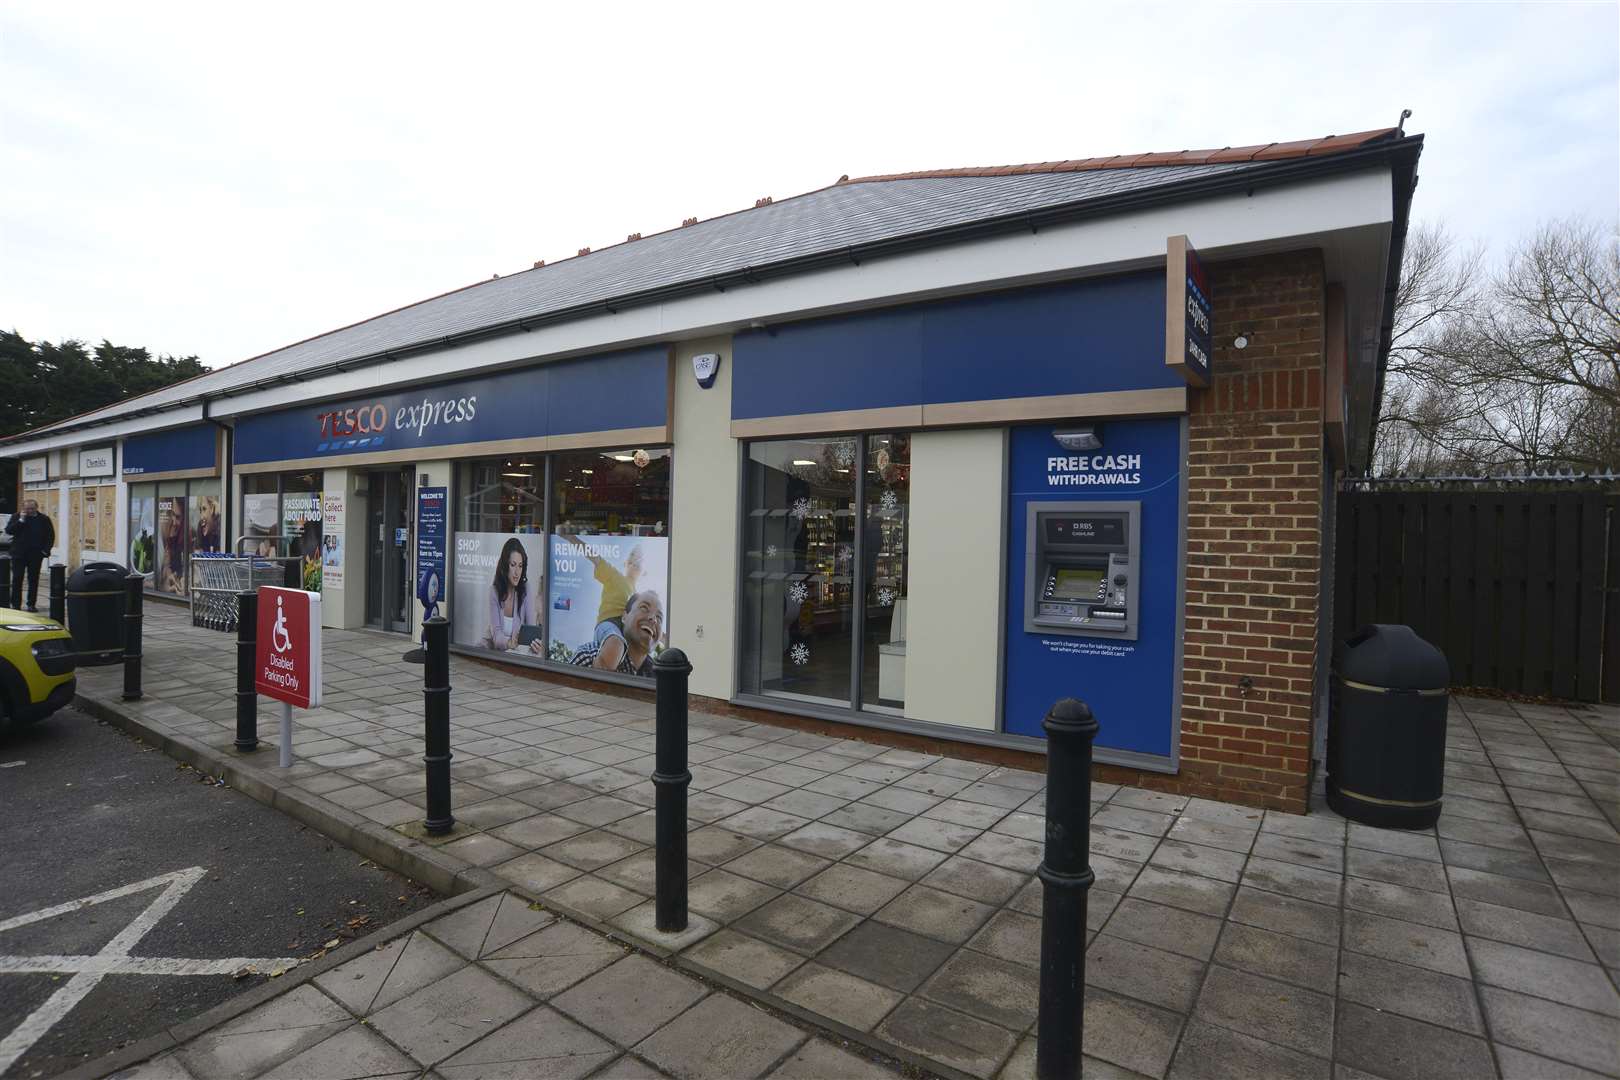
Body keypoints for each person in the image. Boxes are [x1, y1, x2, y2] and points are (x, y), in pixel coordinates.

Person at [571, 589, 662, 676]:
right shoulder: (589, 656)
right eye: (644, 608)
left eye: (659, 617)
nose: (653, 619)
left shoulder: (660, 677)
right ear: (624, 617)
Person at [484, 538, 534, 651]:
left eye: (520, 566)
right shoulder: (494, 592)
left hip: (515, 654)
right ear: (505, 566)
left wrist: (536, 643)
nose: (517, 572)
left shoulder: (525, 589)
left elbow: (532, 630)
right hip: (493, 651)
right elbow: (496, 636)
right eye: (513, 565)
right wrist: (510, 643)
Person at [6, 498, 54, 612]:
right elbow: (9, 530)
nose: (29, 511)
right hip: (19, 553)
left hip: (35, 554)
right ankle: (16, 604)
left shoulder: (44, 519)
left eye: (32, 509)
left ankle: (31, 604)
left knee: (33, 579)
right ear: (23, 508)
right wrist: (21, 521)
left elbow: (50, 536)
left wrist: (45, 551)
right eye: (27, 509)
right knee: (17, 579)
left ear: (36, 508)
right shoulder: (16, 517)